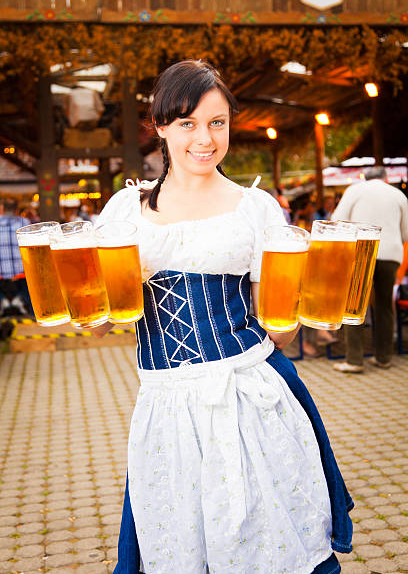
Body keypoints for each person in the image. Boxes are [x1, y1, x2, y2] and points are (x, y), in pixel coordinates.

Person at [94, 61, 353, 573]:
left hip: (249, 392)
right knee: (180, 541)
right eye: (188, 123)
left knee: (265, 535)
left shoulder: (255, 207)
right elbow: (107, 320)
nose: (205, 139)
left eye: (217, 122)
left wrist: (306, 309)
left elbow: (277, 319)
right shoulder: (126, 210)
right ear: (161, 127)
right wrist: (96, 313)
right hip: (166, 401)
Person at [332, 166, 408, 373]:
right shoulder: (398, 195)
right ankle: (384, 357)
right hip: (391, 254)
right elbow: (405, 232)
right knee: (384, 306)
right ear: (385, 178)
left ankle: (354, 360)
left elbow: (337, 220)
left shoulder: (356, 190)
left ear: (365, 177)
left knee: (355, 305)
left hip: (361, 251)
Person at [0, 197, 32, 315]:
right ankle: (25, 305)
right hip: (22, 276)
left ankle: (5, 300)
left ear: (2, 209)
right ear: (17, 210)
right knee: (30, 289)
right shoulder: (24, 223)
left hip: (1, 278)